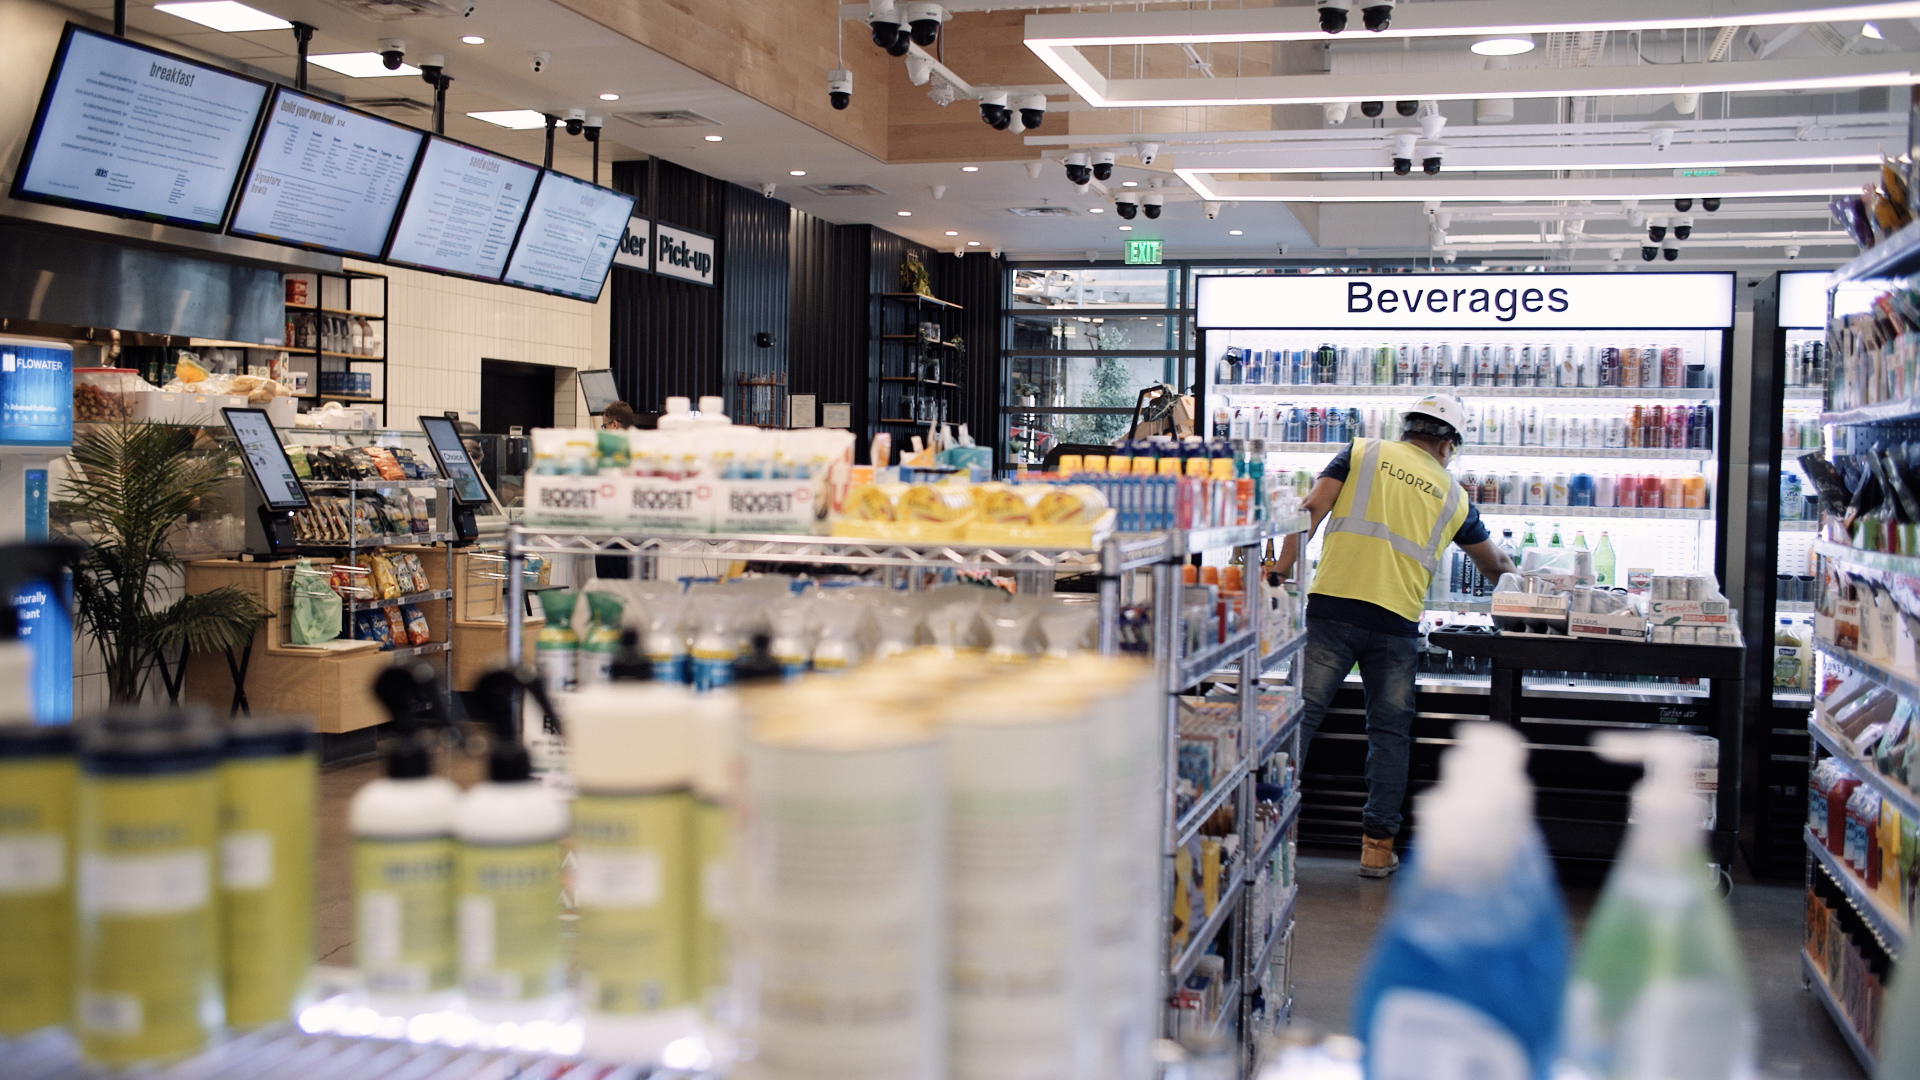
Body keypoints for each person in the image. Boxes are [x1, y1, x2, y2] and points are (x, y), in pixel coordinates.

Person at [1275, 393, 1517, 878]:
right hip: (1397, 622)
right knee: (1389, 736)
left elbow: (1310, 511)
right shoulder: (1454, 494)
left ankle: (1270, 829)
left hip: (1333, 609)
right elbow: (1496, 566)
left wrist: (1279, 569)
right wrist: (1530, 597)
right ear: (1449, 445)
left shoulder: (1362, 452)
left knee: (1298, 719)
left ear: (1408, 428)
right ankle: (1377, 849)